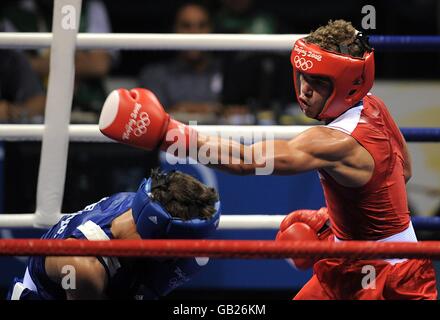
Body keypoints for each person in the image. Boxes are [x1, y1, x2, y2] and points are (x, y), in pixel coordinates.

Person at [98, 20, 437, 299]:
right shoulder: (374, 105)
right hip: (348, 260)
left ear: (348, 86)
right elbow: (403, 170)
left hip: (393, 277)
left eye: (318, 83)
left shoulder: (335, 141)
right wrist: (348, 223)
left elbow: (248, 160)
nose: (304, 90)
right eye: (302, 76)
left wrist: (169, 134)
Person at [8, 169, 221, 300]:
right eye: (179, 247)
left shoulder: (140, 204)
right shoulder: (82, 266)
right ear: (160, 239)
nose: (186, 252)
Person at [138, 2, 223, 124]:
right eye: (186, 26)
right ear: (175, 29)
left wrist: (182, 108)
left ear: (211, 30)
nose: (194, 33)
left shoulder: (227, 71)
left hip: (221, 141)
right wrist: (211, 109)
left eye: (201, 26)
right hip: (172, 142)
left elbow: (236, 112)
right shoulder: (155, 74)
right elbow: (152, 119)